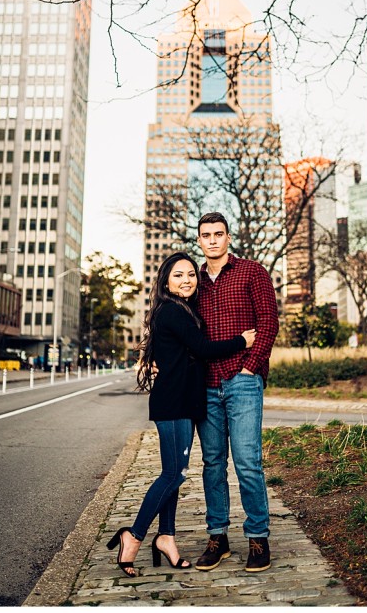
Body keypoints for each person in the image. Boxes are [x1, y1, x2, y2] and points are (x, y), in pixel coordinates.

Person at [108, 251, 256, 578]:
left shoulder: (183, 309)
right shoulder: (172, 312)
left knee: (175, 473)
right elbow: (203, 348)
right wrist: (241, 340)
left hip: (184, 404)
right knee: (173, 475)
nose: (187, 280)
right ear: (165, 280)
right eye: (178, 275)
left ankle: (167, 539)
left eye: (191, 274)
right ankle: (133, 535)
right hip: (173, 404)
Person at [193, 212, 280, 573]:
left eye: (218, 234)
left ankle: (258, 539)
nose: (212, 240)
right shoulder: (192, 281)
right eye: (205, 235)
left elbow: (269, 322)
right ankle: (218, 537)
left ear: (229, 237)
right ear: (199, 240)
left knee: (247, 461)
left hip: (242, 380)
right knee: (212, 463)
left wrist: (251, 366)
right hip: (206, 383)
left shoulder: (252, 272)